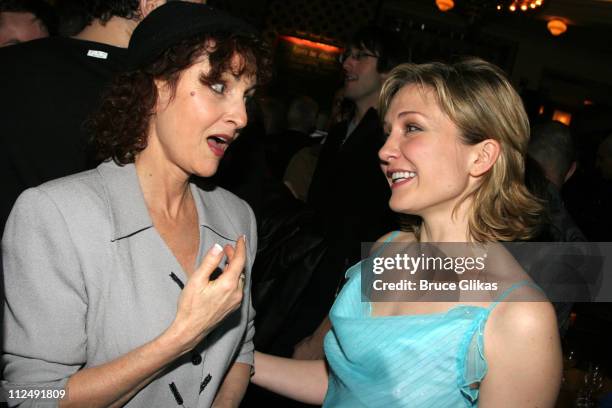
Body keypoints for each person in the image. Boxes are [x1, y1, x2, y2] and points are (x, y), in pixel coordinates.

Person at [1, 3, 269, 407]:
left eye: (246, 96)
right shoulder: (55, 215)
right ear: (155, 89)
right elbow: (25, 393)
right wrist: (180, 337)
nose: (242, 116)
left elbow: (242, 345)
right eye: (218, 87)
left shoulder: (237, 217)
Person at [252, 59, 562, 407]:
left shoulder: (521, 317)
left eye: (412, 128)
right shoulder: (386, 249)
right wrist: (242, 361)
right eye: (389, 132)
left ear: (481, 157)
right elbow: (344, 385)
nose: (384, 152)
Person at [0, 0, 199, 236]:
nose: (201, 23)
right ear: (152, 5)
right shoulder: (167, 91)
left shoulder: (12, 66)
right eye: (195, 6)